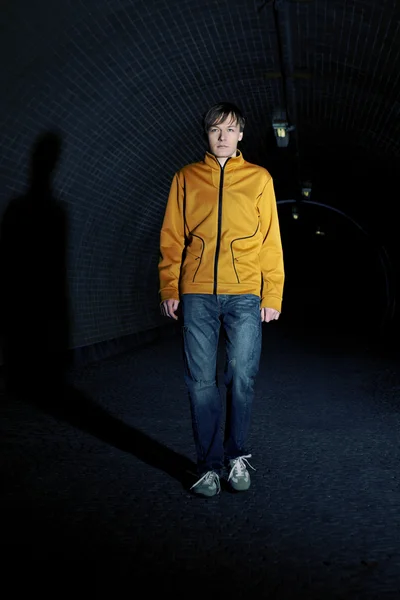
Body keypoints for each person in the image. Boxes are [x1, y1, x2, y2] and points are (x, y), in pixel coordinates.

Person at [158, 102, 284, 497]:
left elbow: (270, 242)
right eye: (216, 129)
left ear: (241, 134)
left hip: (245, 292)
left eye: (230, 129)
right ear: (207, 134)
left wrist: (272, 292)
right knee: (200, 383)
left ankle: (236, 457)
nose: (223, 136)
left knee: (242, 377)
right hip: (197, 293)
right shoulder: (186, 178)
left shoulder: (260, 179)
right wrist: (170, 287)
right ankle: (209, 466)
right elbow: (173, 237)